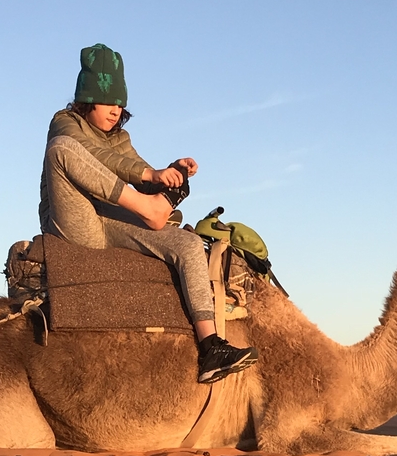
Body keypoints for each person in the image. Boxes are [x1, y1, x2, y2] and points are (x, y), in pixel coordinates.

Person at [39, 43, 258, 383]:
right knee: (61, 151)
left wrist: (170, 171)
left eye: (119, 102)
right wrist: (148, 182)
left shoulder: (120, 137)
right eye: (107, 100)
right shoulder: (64, 123)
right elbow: (106, 160)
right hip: (75, 220)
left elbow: (137, 166)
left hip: (113, 216)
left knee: (186, 245)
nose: (115, 110)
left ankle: (212, 347)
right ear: (87, 99)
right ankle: (150, 209)